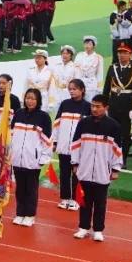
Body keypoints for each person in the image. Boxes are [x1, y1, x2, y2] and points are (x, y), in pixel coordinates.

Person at [70, 95, 123, 242]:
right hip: (84, 170)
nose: (94, 109)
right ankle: (83, 228)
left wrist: (116, 169)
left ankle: (98, 230)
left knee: (100, 203)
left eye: (98, 106)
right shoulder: (83, 123)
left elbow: (117, 149)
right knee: (84, 201)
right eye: (92, 105)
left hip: (102, 171)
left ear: (106, 107)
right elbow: (75, 145)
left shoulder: (114, 126)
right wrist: (75, 163)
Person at [10, 88, 52, 227]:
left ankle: (30, 215)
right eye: (28, 97)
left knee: (31, 189)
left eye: (33, 98)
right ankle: (20, 213)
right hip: (17, 159)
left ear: (38, 100)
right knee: (20, 188)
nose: (30, 101)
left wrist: (43, 159)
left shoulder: (43, 117)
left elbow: (47, 141)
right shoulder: (18, 114)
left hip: (33, 160)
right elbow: (11, 134)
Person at [52, 80, 91, 211]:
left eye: (75, 89)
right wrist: (55, 141)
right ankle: (65, 198)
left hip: (79, 149)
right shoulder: (64, 104)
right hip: (63, 146)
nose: (72, 91)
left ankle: (75, 199)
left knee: (77, 174)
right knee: (64, 173)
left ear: (82, 90)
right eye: (70, 89)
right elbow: (57, 123)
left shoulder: (88, 106)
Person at [103, 43, 132, 166]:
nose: (121, 55)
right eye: (120, 53)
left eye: (125, 53)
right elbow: (106, 88)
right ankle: (110, 157)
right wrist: (105, 105)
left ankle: (122, 159)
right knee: (110, 132)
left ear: (130, 55)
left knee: (125, 134)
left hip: (127, 106)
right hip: (113, 105)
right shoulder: (112, 68)